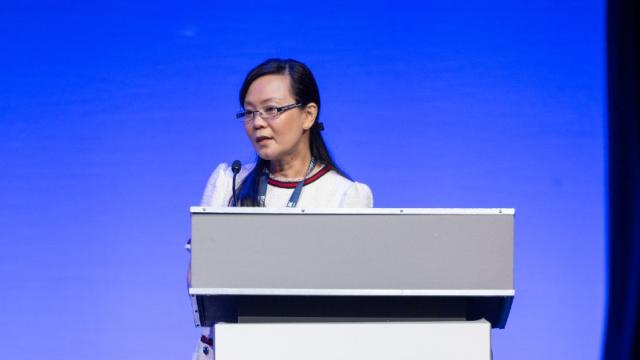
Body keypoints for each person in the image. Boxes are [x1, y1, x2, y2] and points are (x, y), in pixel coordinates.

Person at [189, 58, 373, 360]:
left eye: (271, 110)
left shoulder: (346, 196)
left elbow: (346, 300)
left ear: (308, 115)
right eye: (249, 113)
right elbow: (197, 279)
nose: (257, 122)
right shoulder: (228, 180)